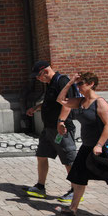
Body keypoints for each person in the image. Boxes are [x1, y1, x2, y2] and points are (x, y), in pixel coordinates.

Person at [54, 72, 108, 216]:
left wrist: (100, 145)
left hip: (104, 146)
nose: (78, 87)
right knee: (78, 177)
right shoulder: (80, 101)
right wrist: (69, 83)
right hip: (87, 146)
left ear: (91, 83)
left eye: (81, 84)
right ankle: (72, 210)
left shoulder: (100, 102)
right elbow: (60, 100)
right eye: (77, 84)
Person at [24, 61, 78, 202]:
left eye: (38, 76)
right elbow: (51, 103)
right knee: (41, 155)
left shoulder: (62, 81)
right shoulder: (50, 84)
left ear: (46, 71)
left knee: (68, 159)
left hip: (61, 129)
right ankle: (40, 187)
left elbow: (68, 103)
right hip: (48, 128)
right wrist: (36, 108)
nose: (37, 79)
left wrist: (61, 122)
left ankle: (76, 190)